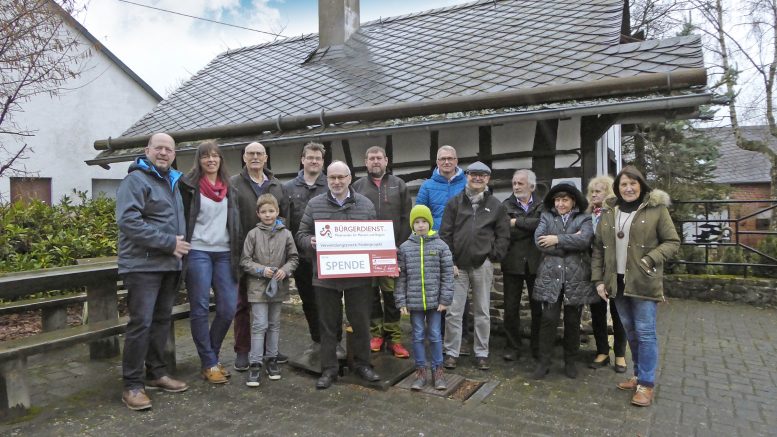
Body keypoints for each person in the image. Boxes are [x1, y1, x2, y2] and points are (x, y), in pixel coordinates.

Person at [592, 166, 680, 407]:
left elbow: (672, 241)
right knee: (630, 331)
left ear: (641, 185)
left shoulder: (656, 209)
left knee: (646, 333)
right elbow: (599, 247)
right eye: (623, 184)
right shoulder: (610, 210)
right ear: (617, 188)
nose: (628, 188)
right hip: (616, 282)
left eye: (633, 183)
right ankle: (639, 376)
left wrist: (649, 259)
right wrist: (598, 280)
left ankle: (647, 384)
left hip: (643, 280)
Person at [116, 133, 190, 411]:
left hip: (168, 265)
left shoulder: (171, 181)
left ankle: (157, 373)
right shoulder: (135, 180)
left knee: (161, 321)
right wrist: (169, 242)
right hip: (143, 265)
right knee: (141, 324)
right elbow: (129, 222)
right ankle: (132, 386)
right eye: (158, 148)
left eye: (168, 149)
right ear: (147, 150)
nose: (163, 153)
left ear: (173, 154)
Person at [296, 161, 381, 389]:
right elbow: (301, 234)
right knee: (328, 325)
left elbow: (376, 238)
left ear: (349, 178)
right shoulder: (314, 204)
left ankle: (363, 364)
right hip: (325, 276)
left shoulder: (365, 205)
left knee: (361, 322)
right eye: (332, 177)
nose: (336, 182)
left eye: (341, 177)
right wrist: (309, 241)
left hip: (359, 276)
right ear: (328, 179)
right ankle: (329, 369)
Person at [439, 161, 510, 371]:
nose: (477, 178)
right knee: (453, 312)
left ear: (488, 179)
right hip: (457, 267)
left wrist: (493, 255)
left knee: (482, 311)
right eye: (473, 174)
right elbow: (445, 234)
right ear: (467, 176)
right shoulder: (455, 203)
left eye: (482, 175)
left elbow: (503, 234)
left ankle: (481, 353)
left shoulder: (496, 205)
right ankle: (451, 352)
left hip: (482, 265)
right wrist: (450, 260)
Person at [180, 141, 240, 385]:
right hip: (198, 252)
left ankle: (211, 357)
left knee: (227, 308)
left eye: (215, 156)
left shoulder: (229, 188)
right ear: (199, 160)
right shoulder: (189, 187)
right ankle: (208, 362)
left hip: (225, 252)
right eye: (206, 156)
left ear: (221, 160)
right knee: (200, 308)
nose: (211, 160)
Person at [231, 142, 290, 371]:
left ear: (265, 158)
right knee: (244, 305)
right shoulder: (234, 184)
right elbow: (230, 219)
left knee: (271, 302)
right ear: (244, 157)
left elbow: (285, 218)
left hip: (273, 257)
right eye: (250, 153)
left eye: (259, 154)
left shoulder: (276, 185)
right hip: (245, 256)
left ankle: (268, 351)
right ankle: (243, 351)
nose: (255, 157)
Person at [351, 146, 412, 358]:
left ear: (386, 160)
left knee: (392, 295)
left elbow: (407, 218)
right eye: (371, 158)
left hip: (392, 252)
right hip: (366, 253)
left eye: (379, 158)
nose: (375, 161)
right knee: (371, 295)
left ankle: (394, 338)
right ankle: (376, 334)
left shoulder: (399, 185)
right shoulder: (357, 186)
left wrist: (400, 245)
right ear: (365, 162)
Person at [532, 182, 596, 380]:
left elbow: (585, 240)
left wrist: (557, 239)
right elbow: (539, 241)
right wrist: (570, 241)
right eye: (557, 200)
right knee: (548, 320)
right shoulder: (546, 216)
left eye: (565, 200)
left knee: (572, 322)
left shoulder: (584, 218)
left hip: (575, 278)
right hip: (550, 278)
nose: (560, 204)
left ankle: (570, 362)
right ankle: (544, 363)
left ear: (573, 201)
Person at [240, 194, 299, 387]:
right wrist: (261, 270)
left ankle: (271, 359)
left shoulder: (286, 234)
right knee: (259, 324)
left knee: (274, 324)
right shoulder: (252, 235)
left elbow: (294, 258)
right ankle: (255, 363)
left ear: (277, 212)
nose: (268, 215)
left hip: (278, 286)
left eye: (271, 211)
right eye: (263, 211)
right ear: (258, 213)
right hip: (257, 287)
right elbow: (245, 261)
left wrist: (285, 270)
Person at [284, 142, 337, 356]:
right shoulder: (287, 188)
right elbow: (286, 222)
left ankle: (336, 340)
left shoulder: (331, 185)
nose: (314, 161)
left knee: (331, 301)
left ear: (322, 162)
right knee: (308, 301)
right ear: (302, 159)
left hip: (328, 256)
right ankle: (317, 340)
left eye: (318, 158)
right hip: (301, 255)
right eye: (310, 157)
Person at [395, 205, 454, 391]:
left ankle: (438, 371)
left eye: (424, 221)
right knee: (418, 335)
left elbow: (447, 275)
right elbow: (401, 277)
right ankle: (420, 371)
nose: (420, 225)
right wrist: (401, 301)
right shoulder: (405, 248)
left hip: (435, 302)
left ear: (430, 223)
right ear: (412, 225)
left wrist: (445, 299)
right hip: (414, 303)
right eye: (417, 222)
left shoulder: (441, 246)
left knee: (435, 335)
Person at [585, 175, 627, 373]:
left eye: (599, 190)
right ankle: (602, 350)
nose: (594, 194)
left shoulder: (615, 213)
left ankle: (619, 354)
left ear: (608, 192)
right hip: (593, 269)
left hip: (614, 269)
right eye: (592, 191)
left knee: (619, 313)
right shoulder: (587, 214)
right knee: (597, 313)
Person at [501, 169, 543, 362]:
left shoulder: (543, 205)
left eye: (521, 183)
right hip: (512, 263)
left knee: (538, 308)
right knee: (510, 308)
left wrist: (516, 222)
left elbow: (544, 227)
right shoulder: (505, 205)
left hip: (537, 264)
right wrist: (530, 227)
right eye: (514, 183)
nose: (516, 187)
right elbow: (505, 232)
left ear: (532, 186)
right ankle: (512, 346)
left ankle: (537, 346)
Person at [415, 145, 466, 231]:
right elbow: (419, 215)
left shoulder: (468, 184)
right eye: (443, 159)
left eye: (450, 158)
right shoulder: (427, 186)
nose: (446, 162)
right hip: (437, 239)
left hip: (463, 237)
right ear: (437, 162)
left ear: (456, 161)